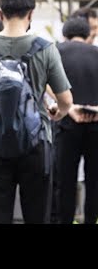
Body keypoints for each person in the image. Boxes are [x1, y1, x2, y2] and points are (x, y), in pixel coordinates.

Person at [0, 0, 73, 224]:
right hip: (36, 142)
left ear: (0, 14)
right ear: (30, 14)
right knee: (36, 213)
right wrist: (56, 113)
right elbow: (66, 101)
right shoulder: (45, 48)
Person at [55, 17, 98, 224]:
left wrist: (68, 107)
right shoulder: (97, 53)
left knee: (66, 181)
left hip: (67, 124)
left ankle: (66, 220)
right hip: (96, 124)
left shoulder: (56, 51)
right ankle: (91, 219)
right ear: (88, 34)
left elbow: (45, 82)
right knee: (94, 181)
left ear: (65, 34)